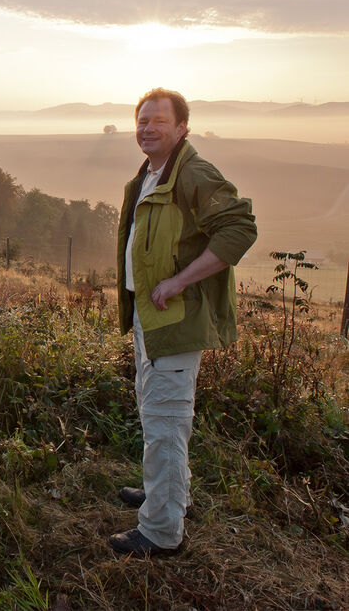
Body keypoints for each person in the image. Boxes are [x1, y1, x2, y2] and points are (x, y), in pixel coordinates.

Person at [110, 88, 257, 556]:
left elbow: (240, 227)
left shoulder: (193, 172)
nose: (147, 128)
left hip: (175, 320)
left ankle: (160, 532)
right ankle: (167, 495)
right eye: (141, 121)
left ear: (181, 128)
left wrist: (179, 282)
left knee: (166, 421)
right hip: (149, 319)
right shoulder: (151, 174)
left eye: (157, 121)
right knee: (158, 417)